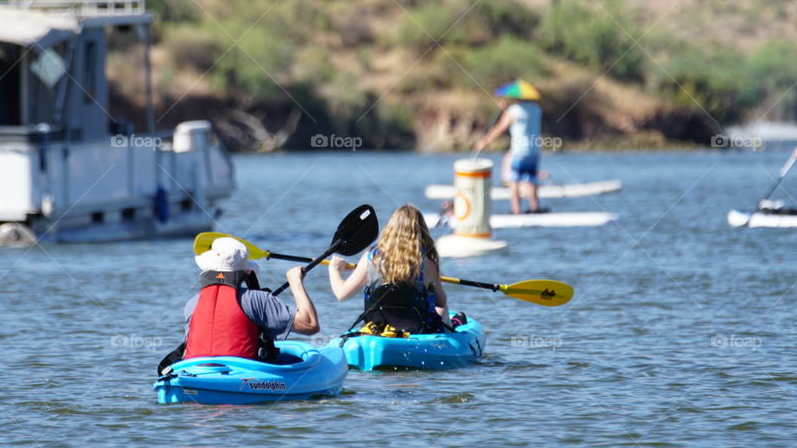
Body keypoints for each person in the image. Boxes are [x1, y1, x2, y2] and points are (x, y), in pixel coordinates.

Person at [182, 237, 319, 361]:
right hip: (243, 379)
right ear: (246, 272)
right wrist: (296, 282)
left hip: (195, 373)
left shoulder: (192, 304)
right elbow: (310, 325)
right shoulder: (259, 299)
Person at [327, 205, 452, 336]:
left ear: (390, 228)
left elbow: (341, 294)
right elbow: (441, 301)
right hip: (415, 329)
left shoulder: (371, 257)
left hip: (378, 327)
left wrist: (334, 270)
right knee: (442, 310)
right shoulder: (428, 264)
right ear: (421, 231)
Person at [474, 82, 545, 215]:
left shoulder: (514, 110)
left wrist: (485, 141)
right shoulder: (537, 109)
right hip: (534, 150)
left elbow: (500, 128)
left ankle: (516, 210)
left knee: (514, 181)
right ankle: (535, 208)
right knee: (531, 180)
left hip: (519, 151)